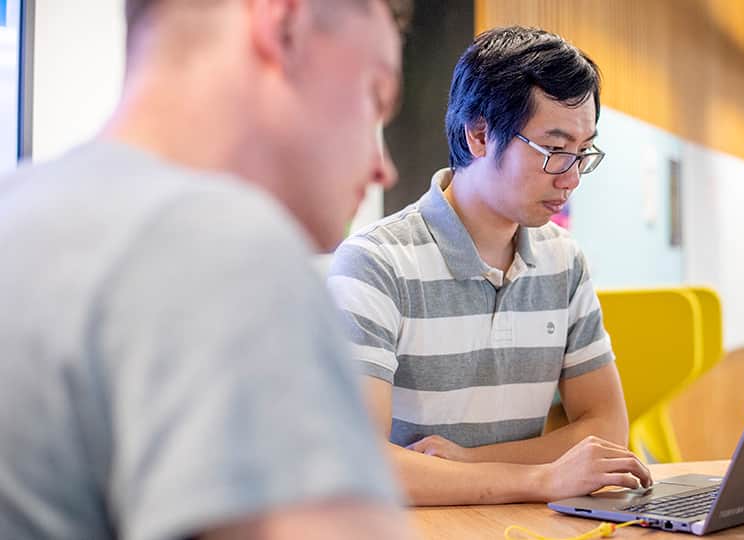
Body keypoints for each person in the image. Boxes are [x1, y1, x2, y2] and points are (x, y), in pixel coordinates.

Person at [0, 0, 415, 538]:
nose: (385, 167)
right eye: (373, 96)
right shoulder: (223, 249)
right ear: (283, 25)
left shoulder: (18, 212)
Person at [328, 25, 652, 505]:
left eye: (582, 153)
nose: (572, 178)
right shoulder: (375, 263)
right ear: (479, 135)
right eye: (555, 150)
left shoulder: (564, 261)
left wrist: (471, 462)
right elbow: (360, 462)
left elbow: (606, 429)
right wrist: (540, 478)